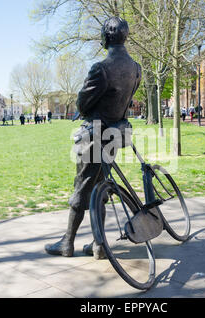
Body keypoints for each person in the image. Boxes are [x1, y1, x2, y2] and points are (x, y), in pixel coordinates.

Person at [45, 17, 142, 259]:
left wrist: (88, 108)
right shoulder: (136, 68)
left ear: (106, 37)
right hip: (114, 135)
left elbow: (83, 103)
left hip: (94, 135)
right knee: (102, 188)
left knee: (82, 189)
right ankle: (99, 245)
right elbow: (124, 101)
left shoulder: (101, 68)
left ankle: (67, 243)